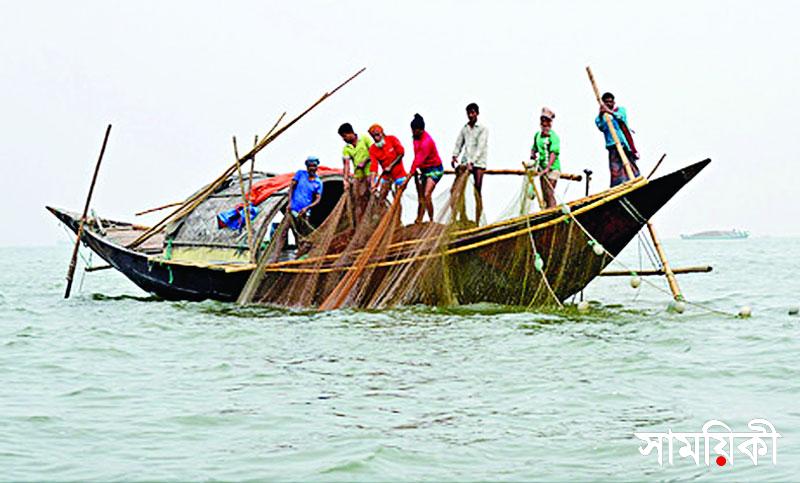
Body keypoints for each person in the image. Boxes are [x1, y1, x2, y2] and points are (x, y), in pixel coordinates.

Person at [451, 102, 488, 220]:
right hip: (466, 161)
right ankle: (463, 215)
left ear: (477, 113)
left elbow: (480, 147)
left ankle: (478, 219)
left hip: (478, 162)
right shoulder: (465, 128)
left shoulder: (483, 129)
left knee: (477, 190)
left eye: (473, 113)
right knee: (458, 189)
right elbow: (459, 142)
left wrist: (472, 162)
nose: (471, 115)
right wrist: (455, 155)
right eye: (469, 113)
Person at [595, 92, 640, 186]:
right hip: (612, 145)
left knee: (629, 165)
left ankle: (635, 181)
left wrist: (609, 111)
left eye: (610, 102)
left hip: (624, 144)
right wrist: (601, 114)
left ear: (614, 102)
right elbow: (600, 126)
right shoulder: (600, 118)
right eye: (606, 102)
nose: (609, 104)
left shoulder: (620, 110)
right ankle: (619, 185)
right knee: (616, 168)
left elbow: (621, 117)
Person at [408, 113, 444, 224]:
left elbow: (419, 159)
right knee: (421, 197)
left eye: (415, 130)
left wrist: (409, 175)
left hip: (435, 169)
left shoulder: (426, 142)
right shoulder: (415, 138)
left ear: (421, 130)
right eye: (412, 130)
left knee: (427, 194)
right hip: (424, 170)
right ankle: (419, 218)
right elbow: (416, 155)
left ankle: (432, 219)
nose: (413, 133)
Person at [338, 122, 373, 222]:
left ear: (350, 133)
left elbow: (374, 153)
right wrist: (345, 179)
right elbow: (346, 164)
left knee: (370, 196)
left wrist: (365, 161)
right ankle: (360, 223)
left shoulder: (365, 139)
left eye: (344, 136)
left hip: (369, 172)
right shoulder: (346, 149)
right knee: (358, 200)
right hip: (358, 175)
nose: (344, 139)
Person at [529, 107, 561, 209]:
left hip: (553, 168)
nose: (544, 123)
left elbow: (554, 153)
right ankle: (547, 211)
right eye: (542, 120)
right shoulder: (537, 135)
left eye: (547, 121)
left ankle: (553, 212)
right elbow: (534, 148)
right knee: (544, 194)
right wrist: (533, 155)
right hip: (542, 168)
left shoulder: (553, 136)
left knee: (549, 191)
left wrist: (548, 167)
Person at [286, 156, 323, 238]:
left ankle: (301, 249)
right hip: (293, 209)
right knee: (289, 231)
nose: (312, 168)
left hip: (305, 212)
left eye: (314, 166)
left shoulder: (318, 182)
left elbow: (318, 199)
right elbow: (291, 188)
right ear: (307, 167)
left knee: (303, 233)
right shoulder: (300, 174)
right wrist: (289, 203)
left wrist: (307, 208)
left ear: (317, 167)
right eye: (310, 166)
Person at [367, 124, 407, 202]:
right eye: (373, 137)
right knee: (381, 197)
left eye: (377, 135)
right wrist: (372, 183)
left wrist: (391, 166)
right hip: (386, 178)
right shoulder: (373, 149)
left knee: (399, 198)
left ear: (382, 133)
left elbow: (401, 153)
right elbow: (374, 166)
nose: (376, 138)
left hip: (400, 176)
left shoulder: (392, 139)